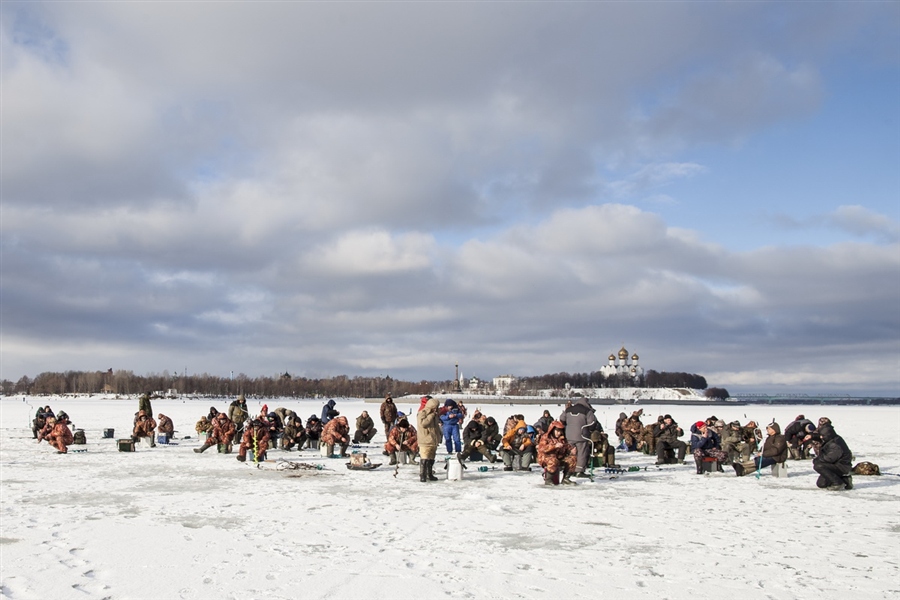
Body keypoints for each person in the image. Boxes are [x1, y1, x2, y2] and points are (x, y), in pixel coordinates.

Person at [559, 397, 598, 477]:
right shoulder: (587, 411)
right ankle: (579, 470)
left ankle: (569, 470)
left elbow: (562, 419)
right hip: (581, 435)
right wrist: (590, 430)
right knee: (582, 453)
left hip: (569, 435)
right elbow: (592, 423)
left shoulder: (568, 409)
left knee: (571, 453)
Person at [810, 420, 853, 490]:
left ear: (827, 434)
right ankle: (845, 480)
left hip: (842, 466)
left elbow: (829, 458)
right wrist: (812, 436)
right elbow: (820, 437)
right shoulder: (833, 437)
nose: (821, 437)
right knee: (821, 484)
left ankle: (838, 483)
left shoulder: (835, 444)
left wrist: (817, 460)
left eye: (823, 436)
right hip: (836, 464)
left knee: (818, 466)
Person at [537, 420, 576, 485]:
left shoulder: (562, 438)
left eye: (560, 431)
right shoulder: (545, 437)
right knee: (553, 460)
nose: (559, 433)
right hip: (546, 458)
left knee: (572, 459)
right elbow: (542, 449)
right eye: (557, 431)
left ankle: (566, 479)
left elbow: (566, 446)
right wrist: (554, 446)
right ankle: (548, 480)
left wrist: (571, 450)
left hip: (559, 457)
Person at [416, 396, 442, 483]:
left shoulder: (435, 415)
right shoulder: (422, 413)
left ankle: (429, 473)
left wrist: (439, 436)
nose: (436, 409)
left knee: (431, 458)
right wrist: (431, 415)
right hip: (425, 439)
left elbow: (436, 428)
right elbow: (424, 423)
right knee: (425, 457)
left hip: (433, 440)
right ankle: (422, 474)